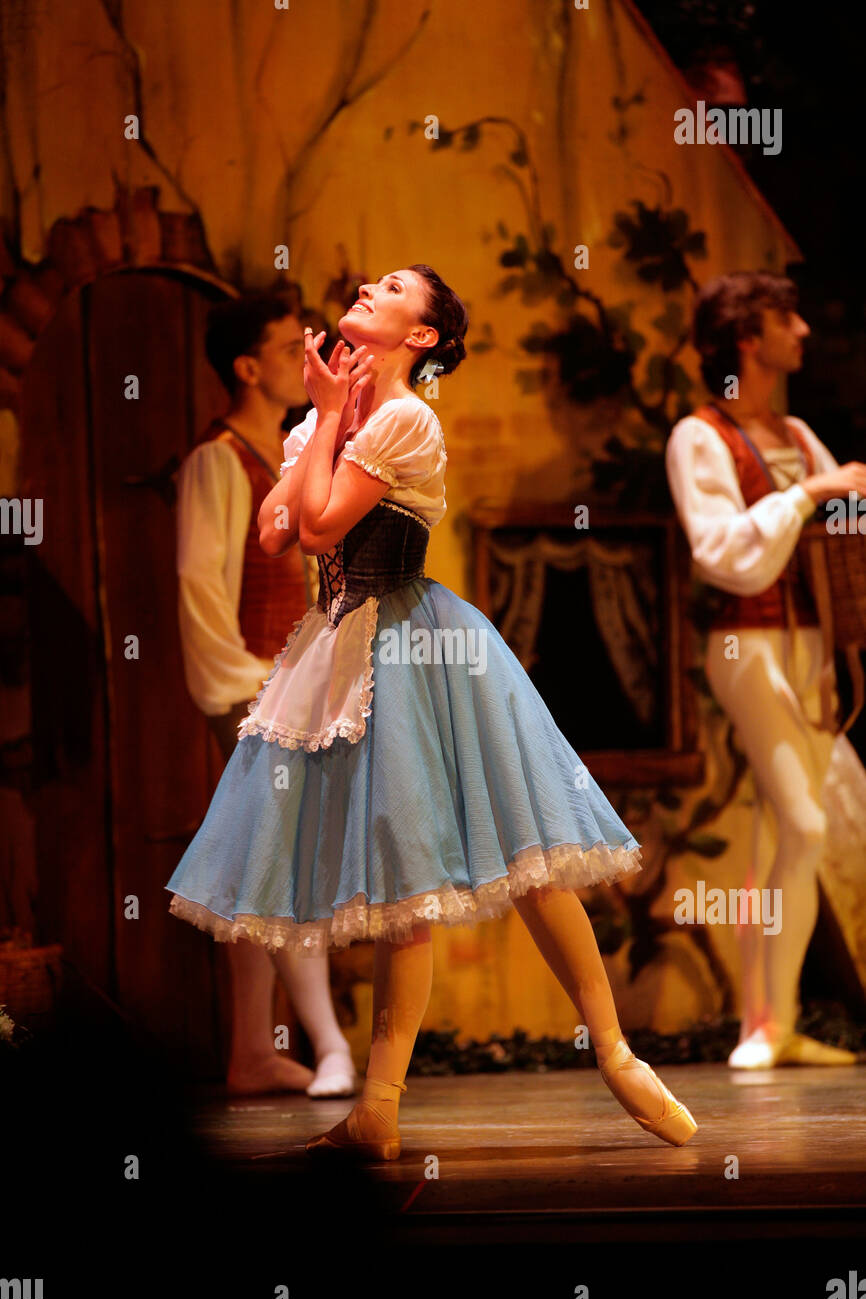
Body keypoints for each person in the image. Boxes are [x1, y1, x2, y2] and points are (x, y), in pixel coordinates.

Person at [166, 263, 697, 1157]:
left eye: (395, 287)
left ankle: (613, 1049)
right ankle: (377, 1107)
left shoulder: (407, 416)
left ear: (421, 335)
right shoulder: (320, 418)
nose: (372, 287)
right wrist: (322, 417)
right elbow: (272, 530)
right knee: (400, 882)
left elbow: (324, 525)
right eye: (374, 281)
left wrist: (328, 418)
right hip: (339, 646)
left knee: (528, 858)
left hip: (420, 649)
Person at [666, 270, 866, 1069]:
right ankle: (765, 1026)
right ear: (750, 337)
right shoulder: (700, 436)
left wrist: (843, 497)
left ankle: (769, 1018)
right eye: (789, 319)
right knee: (806, 823)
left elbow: (837, 520)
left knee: (778, 829)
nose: (805, 333)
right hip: (747, 643)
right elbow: (721, 554)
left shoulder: (797, 431)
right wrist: (807, 495)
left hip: (811, 642)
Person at [175, 291, 357, 1098]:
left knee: (264, 865)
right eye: (290, 349)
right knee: (286, 866)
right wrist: (245, 692)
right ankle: (330, 1043)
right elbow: (200, 586)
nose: (304, 358)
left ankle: (253, 1048)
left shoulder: (295, 449)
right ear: (248, 368)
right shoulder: (219, 460)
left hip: (300, 685)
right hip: (254, 689)